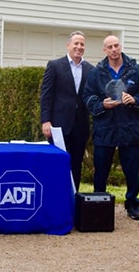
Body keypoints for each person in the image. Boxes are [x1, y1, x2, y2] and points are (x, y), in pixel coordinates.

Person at [83, 35, 139, 220]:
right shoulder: (96, 73)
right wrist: (102, 104)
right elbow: (88, 97)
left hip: (129, 127)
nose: (114, 49)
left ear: (120, 46)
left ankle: (132, 205)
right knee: (101, 169)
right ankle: (99, 202)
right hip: (105, 127)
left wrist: (135, 99)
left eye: (116, 45)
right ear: (104, 50)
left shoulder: (137, 71)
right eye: (109, 47)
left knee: (131, 171)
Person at [40, 30, 94, 192]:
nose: (79, 47)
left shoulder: (90, 69)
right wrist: (45, 120)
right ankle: (54, 198)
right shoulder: (55, 66)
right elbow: (46, 95)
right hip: (58, 126)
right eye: (76, 43)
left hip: (80, 126)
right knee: (57, 163)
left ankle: (73, 200)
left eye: (82, 44)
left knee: (76, 165)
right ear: (68, 45)